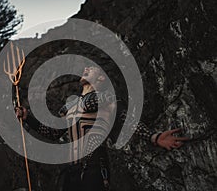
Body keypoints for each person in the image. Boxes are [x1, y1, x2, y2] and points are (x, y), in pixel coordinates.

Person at [16, 66, 189, 191]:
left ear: (101, 78)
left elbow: (126, 119)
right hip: (70, 171)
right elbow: (53, 133)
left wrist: (154, 136)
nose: (86, 68)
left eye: (92, 68)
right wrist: (27, 118)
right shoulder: (70, 105)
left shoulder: (106, 97)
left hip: (94, 167)